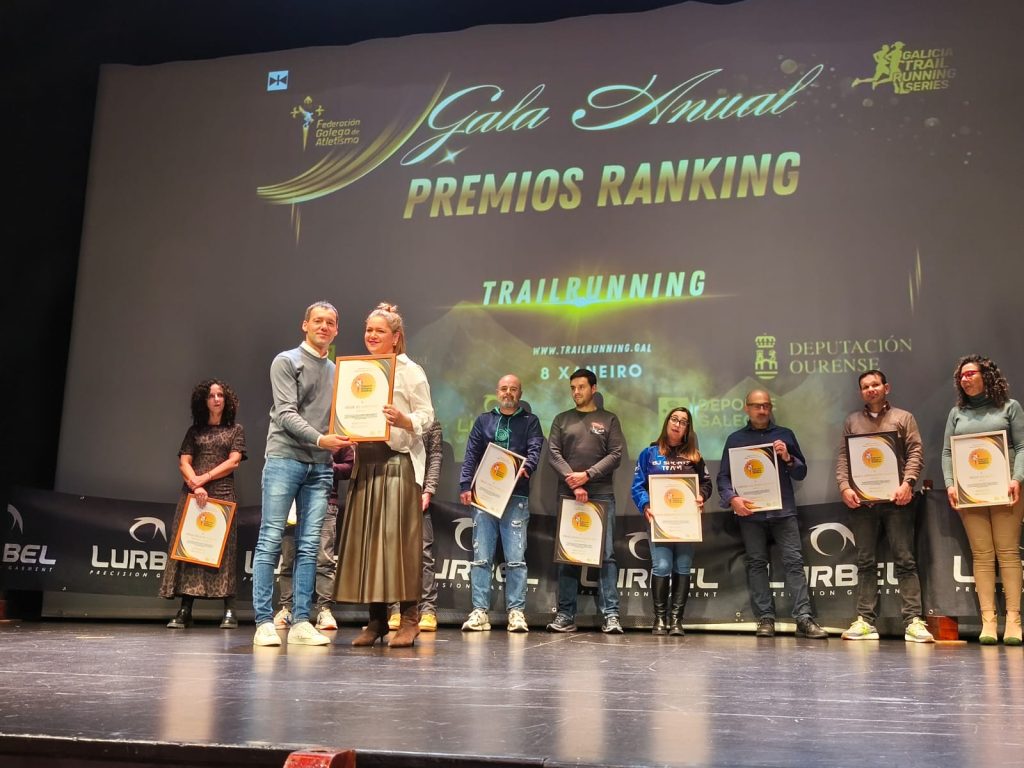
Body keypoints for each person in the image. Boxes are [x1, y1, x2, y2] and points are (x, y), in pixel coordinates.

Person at [334, 302, 435, 648]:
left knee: (399, 544)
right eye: (368, 330)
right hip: (366, 462)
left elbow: (427, 416)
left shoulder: (410, 371)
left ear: (396, 337)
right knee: (368, 543)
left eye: (379, 330)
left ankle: (409, 620)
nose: (372, 335)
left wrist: (404, 420)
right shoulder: (358, 371)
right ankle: (376, 621)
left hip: (397, 462)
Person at [251, 301, 352, 647]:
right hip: (285, 459)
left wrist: (355, 430)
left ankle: (300, 623)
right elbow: (285, 414)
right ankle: (264, 622)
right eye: (317, 321)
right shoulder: (286, 361)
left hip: (320, 466)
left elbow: (342, 417)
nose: (324, 327)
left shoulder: (339, 372)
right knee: (270, 540)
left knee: (309, 547)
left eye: (330, 323)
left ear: (336, 330)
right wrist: (322, 439)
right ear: (305, 325)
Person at [717, 390, 828, 639]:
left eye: (766, 406)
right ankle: (765, 619)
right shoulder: (735, 439)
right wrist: (732, 499)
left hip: (783, 511)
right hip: (751, 514)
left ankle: (803, 618)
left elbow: (801, 472)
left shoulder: (785, 435)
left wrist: (788, 457)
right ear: (746, 408)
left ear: (771, 407)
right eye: (757, 406)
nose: (762, 410)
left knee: (794, 563)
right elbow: (723, 477)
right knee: (757, 564)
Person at [836, 369, 933, 643]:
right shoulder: (852, 421)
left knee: (905, 560)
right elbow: (843, 458)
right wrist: (844, 487)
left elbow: (916, 452)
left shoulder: (903, 418)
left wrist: (908, 483)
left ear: (886, 387)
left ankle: (913, 621)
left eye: (875, 384)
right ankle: (865, 621)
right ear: (861, 392)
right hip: (863, 504)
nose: (871, 389)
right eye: (865, 386)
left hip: (897, 500)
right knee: (865, 562)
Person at [942, 355, 1024, 645]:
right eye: (961, 376)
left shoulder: (1009, 407)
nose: (964, 379)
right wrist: (950, 484)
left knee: (1008, 552)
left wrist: (1017, 478)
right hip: (970, 492)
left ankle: (1013, 620)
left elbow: (1022, 446)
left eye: (970, 374)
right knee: (982, 555)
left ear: (986, 376)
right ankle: (988, 621)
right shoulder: (957, 413)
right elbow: (948, 453)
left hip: (1006, 489)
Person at [459, 375, 545, 633]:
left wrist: (528, 467)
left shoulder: (530, 421)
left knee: (516, 559)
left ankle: (516, 612)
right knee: (481, 558)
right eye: (504, 389)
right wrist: (465, 485)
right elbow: (471, 454)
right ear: (497, 392)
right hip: (484, 497)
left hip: (516, 498)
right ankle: (479, 612)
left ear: (520, 393)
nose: (508, 393)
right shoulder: (483, 420)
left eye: (513, 389)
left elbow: (535, 449)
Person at [160, 379, 247, 628]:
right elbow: (184, 462)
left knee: (224, 551)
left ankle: (229, 610)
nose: (216, 399)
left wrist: (204, 478)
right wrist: (195, 485)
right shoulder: (194, 431)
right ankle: (185, 610)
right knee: (191, 549)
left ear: (227, 400)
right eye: (211, 396)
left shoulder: (235, 430)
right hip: (194, 494)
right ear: (203, 401)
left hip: (222, 494)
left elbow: (233, 461)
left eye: (220, 395)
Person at [546, 368, 626, 633]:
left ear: (594, 388)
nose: (576, 392)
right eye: (572, 388)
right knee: (568, 554)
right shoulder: (561, 419)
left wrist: (588, 475)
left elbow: (616, 454)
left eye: (581, 387)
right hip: (569, 494)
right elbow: (553, 454)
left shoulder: (609, 419)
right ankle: (566, 615)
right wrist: (574, 481)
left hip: (601, 494)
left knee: (606, 556)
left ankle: (611, 615)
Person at [632, 407, 711, 636]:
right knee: (662, 566)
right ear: (667, 422)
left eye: (683, 422)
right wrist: (645, 505)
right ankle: (660, 619)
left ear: (687, 429)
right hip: (659, 520)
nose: (677, 424)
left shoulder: (694, 456)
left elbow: (706, 483)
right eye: (674, 419)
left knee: (683, 566)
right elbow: (637, 486)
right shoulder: (649, 453)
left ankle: (676, 620)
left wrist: (701, 495)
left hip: (686, 521)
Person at [274, 445, 354, 631]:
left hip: (325, 500)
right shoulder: (292, 431)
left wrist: (325, 467)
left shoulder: (335, 433)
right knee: (289, 559)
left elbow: (350, 467)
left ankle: (324, 610)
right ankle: (287, 609)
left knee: (324, 560)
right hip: (291, 501)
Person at [388, 420, 443, 632]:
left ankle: (428, 610)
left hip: (419, 492)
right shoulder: (389, 419)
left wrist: (428, 490)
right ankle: (395, 609)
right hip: (392, 491)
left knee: (423, 554)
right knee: (393, 553)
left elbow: (435, 457)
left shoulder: (430, 422)